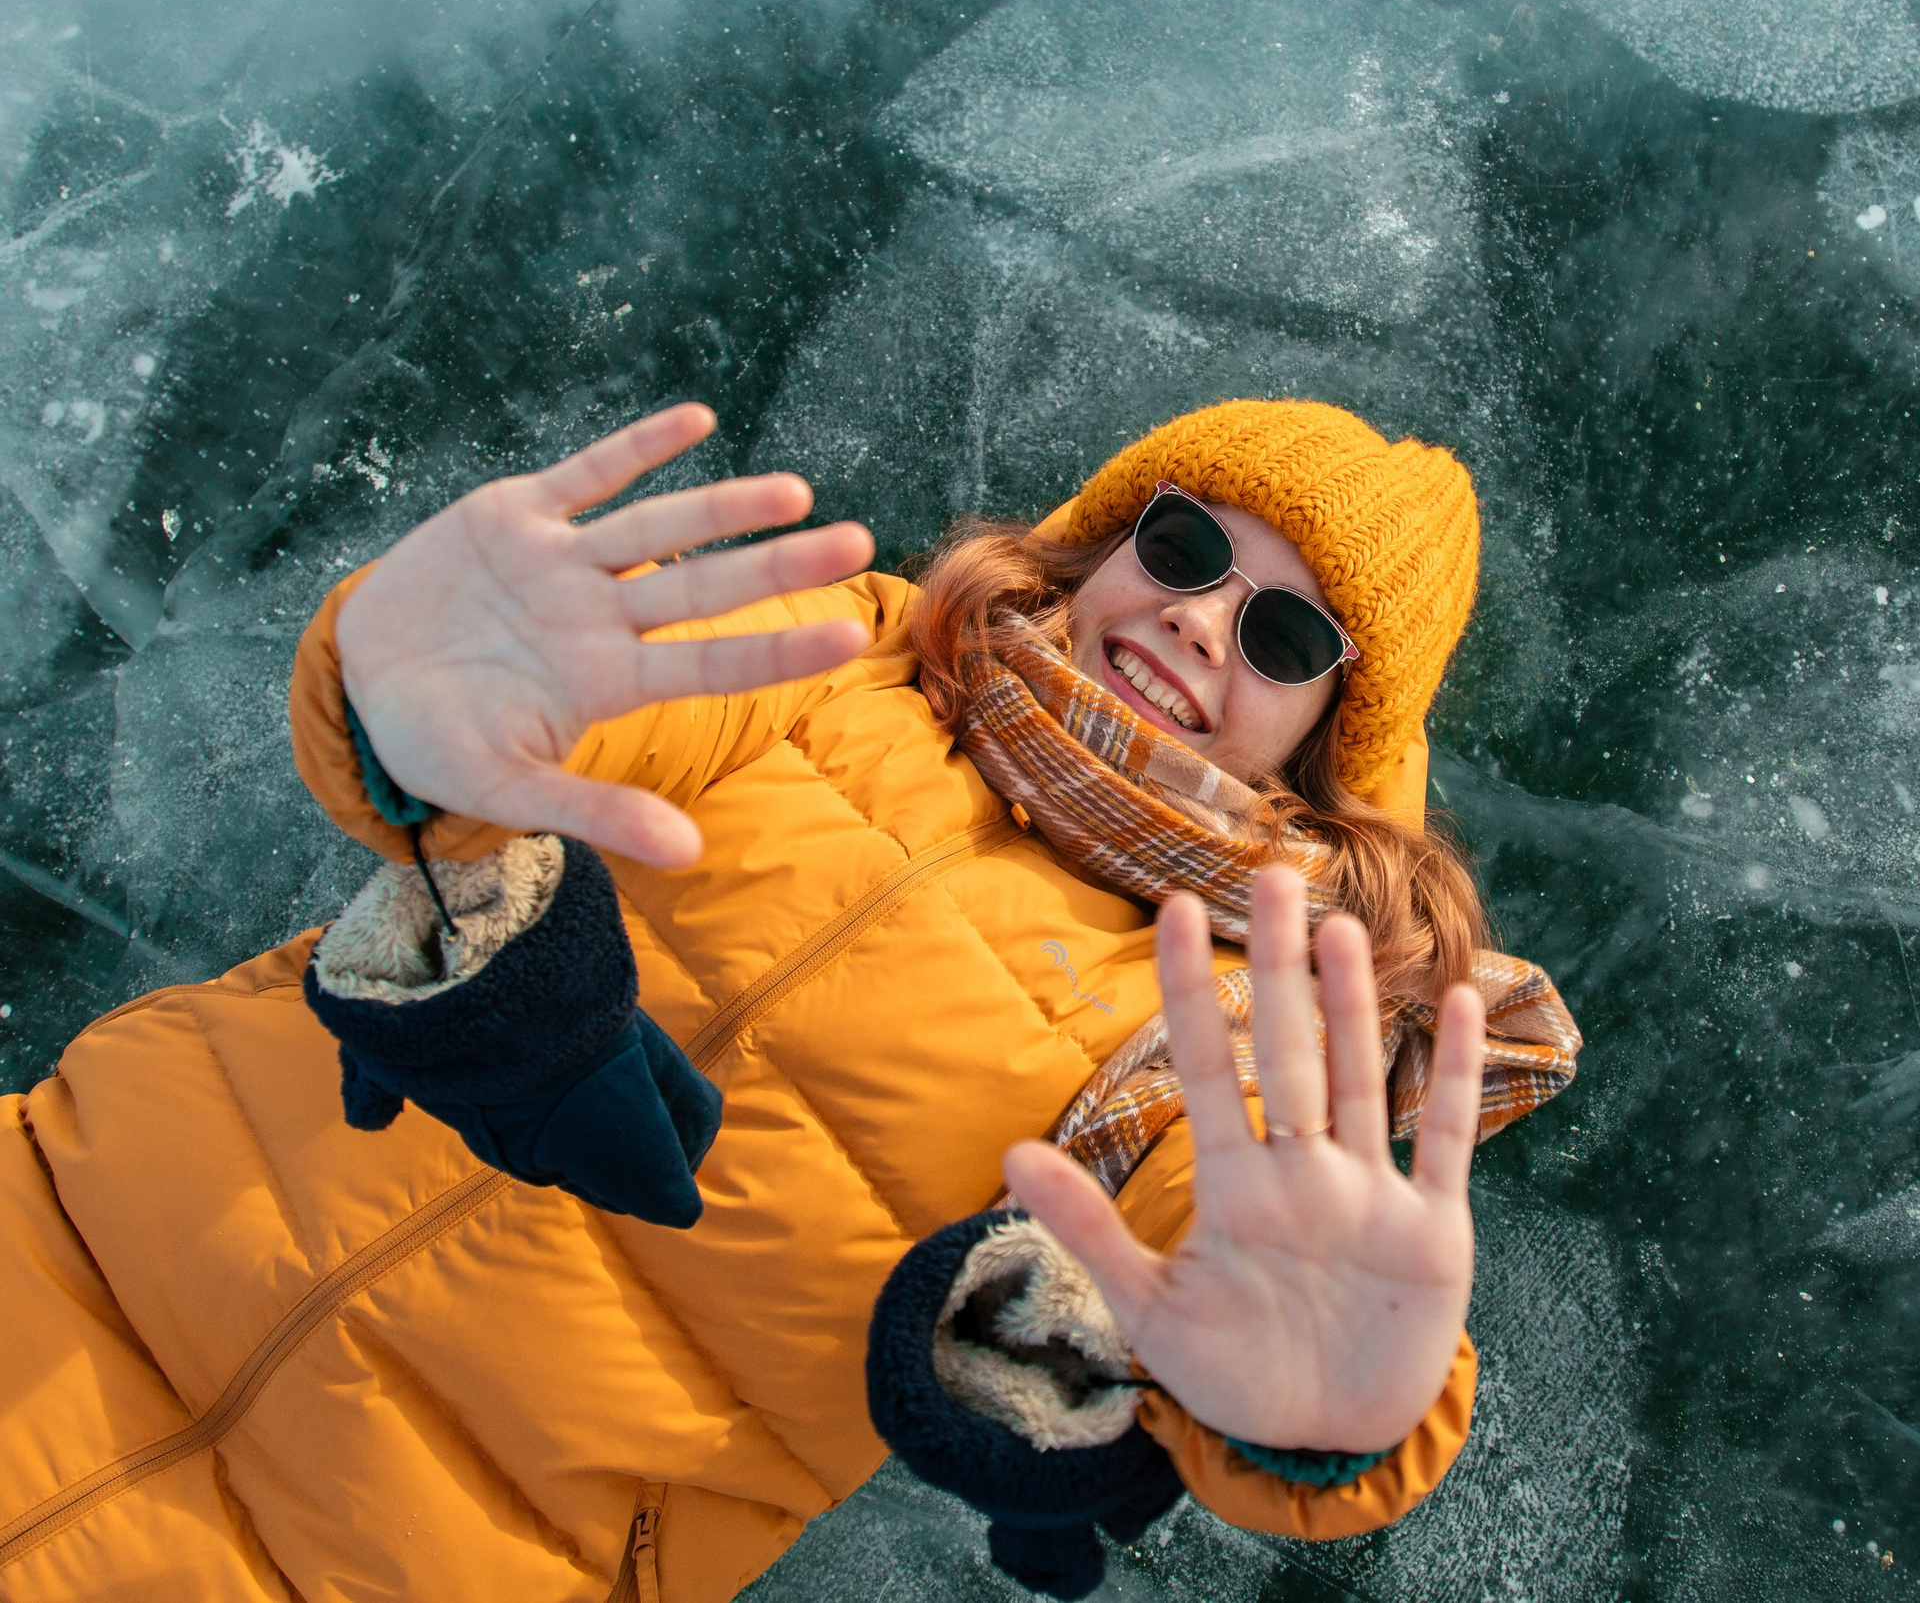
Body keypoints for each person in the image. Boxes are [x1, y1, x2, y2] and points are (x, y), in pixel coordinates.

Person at [0, 399, 1580, 1601]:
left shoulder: (1233, 1027)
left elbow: (1232, 1298)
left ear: (1331, 730)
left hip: (409, 1556)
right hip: (64, 1237)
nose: (1196, 618)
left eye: (1283, 634)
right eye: (1182, 548)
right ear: (1107, 538)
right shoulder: (853, 659)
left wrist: (1319, 1416)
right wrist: (424, 698)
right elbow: (520, 748)